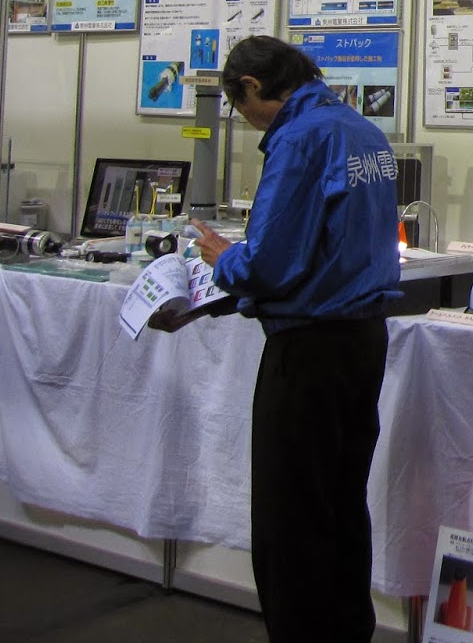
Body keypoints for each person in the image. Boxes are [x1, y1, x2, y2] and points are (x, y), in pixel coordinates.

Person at [190, 35, 401, 643]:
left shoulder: (299, 137)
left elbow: (271, 263)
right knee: (341, 501)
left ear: (252, 86)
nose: (247, 119)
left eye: (241, 107)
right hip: (363, 339)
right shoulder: (362, 129)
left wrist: (225, 259)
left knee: (290, 514)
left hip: (309, 345)